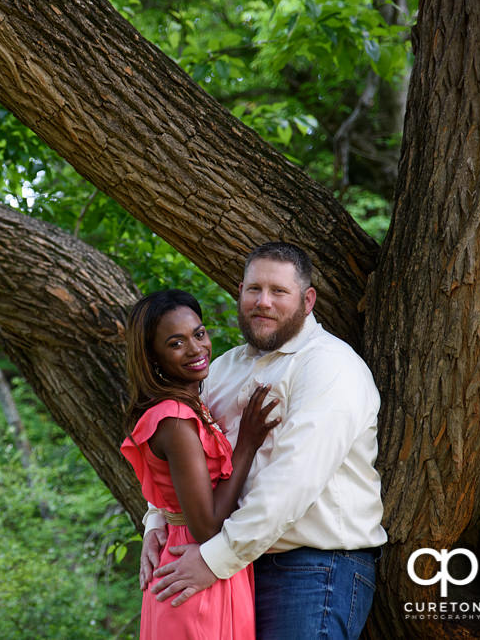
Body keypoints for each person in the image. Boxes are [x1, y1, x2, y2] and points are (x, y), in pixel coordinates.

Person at [142, 242, 387, 640]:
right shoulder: (220, 370)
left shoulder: (329, 367)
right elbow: (180, 455)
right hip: (237, 567)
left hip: (313, 569)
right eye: (254, 289)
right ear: (239, 291)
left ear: (307, 300)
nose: (263, 302)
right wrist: (157, 521)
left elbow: (292, 483)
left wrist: (214, 559)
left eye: (279, 292)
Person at [120, 289, 280, 639]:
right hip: (194, 566)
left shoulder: (191, 406)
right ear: (154, 358)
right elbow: (206, 525)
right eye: (176, 343)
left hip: (202, 564)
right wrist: (247, 445)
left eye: (199, 334)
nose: (196, 349)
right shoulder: (176, 420)